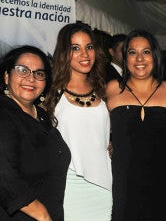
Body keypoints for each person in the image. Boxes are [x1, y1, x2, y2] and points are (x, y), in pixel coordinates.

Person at [44, 22, 112, 220]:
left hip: (103, 182)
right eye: (76, 48)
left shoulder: (102, 88)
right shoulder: (50, 93)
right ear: (64, 52)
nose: (85, 54)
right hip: (69, 184)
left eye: (89, 47)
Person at [106, 29, 166, 221]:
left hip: (163, 183)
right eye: (132, 52)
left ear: (155, 55)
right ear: (125, 57)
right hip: (122, 184)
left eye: (146, 52)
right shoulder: (112, 88)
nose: (139, 59)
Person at [0, 45, 71, 220]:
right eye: (22, 70)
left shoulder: (42, 116)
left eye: (39, 73)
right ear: (7, 76)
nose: (31, 78)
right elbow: (4, 175)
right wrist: (43, 215)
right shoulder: (3, 113)